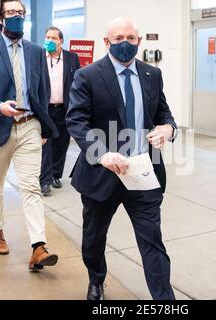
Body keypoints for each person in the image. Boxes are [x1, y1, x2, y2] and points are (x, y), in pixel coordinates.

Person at [66, 17, 178, 300]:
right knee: (94, 238)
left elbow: (163, 113)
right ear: (107, 42)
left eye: (131, 38)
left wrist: (169, 128)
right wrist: (102, 154)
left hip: (143, 172)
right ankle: (96, 279)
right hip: (102, 173)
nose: (125, 44)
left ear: (139, 41)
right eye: (118, 39)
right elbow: (76, 121)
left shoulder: (152, 75)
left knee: (152, 239)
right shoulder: (88, 75)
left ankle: (164, 299)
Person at [0, 0, 59, 271]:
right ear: (0, 18)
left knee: (30, 185)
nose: (17, 16)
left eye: (21, 12)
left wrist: (42, 126)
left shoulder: (35, 51)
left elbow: (41, 91)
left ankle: (38, 247)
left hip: (29, 125)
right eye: (11, 13)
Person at [40, 27, 81, 197]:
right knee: (46, 145)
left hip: (65, 109)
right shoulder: (39, 57)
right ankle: (45, 181)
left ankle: (56, 175)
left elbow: (78, 83)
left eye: (53, 38)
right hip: (46, 109)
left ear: (61, 41)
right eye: (47, 37)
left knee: (61, 144)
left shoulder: (72, 58)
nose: (50, 40)